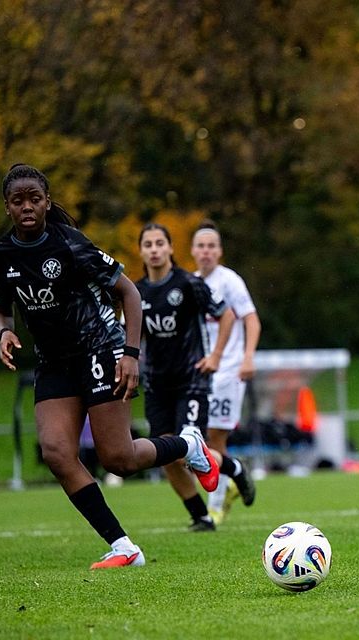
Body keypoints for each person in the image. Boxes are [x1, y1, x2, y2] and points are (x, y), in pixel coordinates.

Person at [0, 164, 218, 569]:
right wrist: (4, 331)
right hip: (53, 362)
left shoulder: (70, 244)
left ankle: (189, 445)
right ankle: (123, 546)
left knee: (119, 460)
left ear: (46, 202)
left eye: (34, 199)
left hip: (98, 348)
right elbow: (0, 308)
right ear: (7, 206)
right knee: (57, 454)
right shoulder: (0, 255)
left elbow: (128, 292)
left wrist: (129, 354)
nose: (27, 207)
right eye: (18, 200)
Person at [136, 223, 255, 531]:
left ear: (171, 248)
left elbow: (227, 314)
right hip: (156, 384)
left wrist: (215, 356)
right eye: (148, 244)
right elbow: (129, 334)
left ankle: (232, 469)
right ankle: (201, 514)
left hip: (191, 380)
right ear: (141, 251)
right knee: (166, 455)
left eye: (160, 242)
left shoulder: (189, 283)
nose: (154, 249)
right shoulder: (136, 292)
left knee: (189, 445)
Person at [191, 222, 259, 523]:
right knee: (197, 439)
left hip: (228, 370)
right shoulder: (190, 282)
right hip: (200, 373)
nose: (206, 251)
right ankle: (231, 478)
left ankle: (215, 505)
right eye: (201, 246)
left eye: (211, 246)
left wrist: (247, 358)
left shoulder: (229, 281)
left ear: (219, 251)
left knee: (215, 437)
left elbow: (251, 320)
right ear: (193, 251)